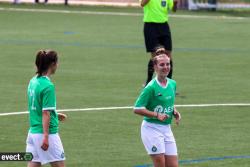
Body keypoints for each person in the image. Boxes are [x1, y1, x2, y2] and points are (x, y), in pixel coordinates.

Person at [134, 54, 181, 167]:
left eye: (168, 64)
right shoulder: (150, 87)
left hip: (166, 129)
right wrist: (156, 115)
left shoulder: (172, 83)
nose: (165, 67)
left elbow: (166, 102)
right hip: (152, 129)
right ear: (155, 67)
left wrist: (174, 111)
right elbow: (137, 108)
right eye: (162, 65)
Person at [26, 50, 67, 167]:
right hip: (47, 135)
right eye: (57, 63)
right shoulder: (48, 86)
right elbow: (45, 113)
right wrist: (45, 137)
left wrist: (55, 114)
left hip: (33, 133)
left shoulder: (33, 81)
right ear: (52, 64)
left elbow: (37, 107)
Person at [141, 0, 178, 85]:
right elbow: (142, 4)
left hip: (164, 26)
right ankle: (149, 81)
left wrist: (175, 3)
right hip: (150, 26)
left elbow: (174, 9)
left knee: (168, 55)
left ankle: (169, 83)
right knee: (155, 55)